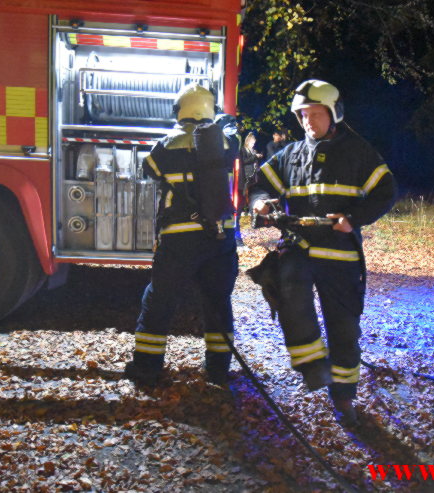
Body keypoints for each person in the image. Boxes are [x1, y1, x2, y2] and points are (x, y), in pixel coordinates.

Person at [249, 79, 397, 426]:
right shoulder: (291, 154)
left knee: (344, 329)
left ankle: (344, 399)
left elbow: (386, 191)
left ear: (334, 114)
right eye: (302, 115)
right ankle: (314, 368)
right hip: (299, 246)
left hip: (340, 255)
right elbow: (260, 184)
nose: (307, 122)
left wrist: (354, 219)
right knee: (288, 291)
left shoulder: (359, 153)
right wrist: (261, 204)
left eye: (315, 114)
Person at [124, 83, 239, 386]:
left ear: (181, 110)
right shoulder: (227, 144)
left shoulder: (165, 146)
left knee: (159, 301)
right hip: (220, 237)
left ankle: (146, 368)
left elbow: (148, 169)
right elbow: (236, 140)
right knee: (218, 302)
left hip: (179, 239)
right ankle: (218, 369)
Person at [240, 132, 263, 212]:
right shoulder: (243, 150)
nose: (253, 144)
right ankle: (245, 208)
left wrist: (258, 157)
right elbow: (244, 161)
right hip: (247, 175)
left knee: (252, 192)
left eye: (254, 143)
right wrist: (254, 156)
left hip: (254, 174)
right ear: (247, 142)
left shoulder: (253, 150)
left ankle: (251, 207)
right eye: (252, 143)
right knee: (246, 192)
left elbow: (254, 160)